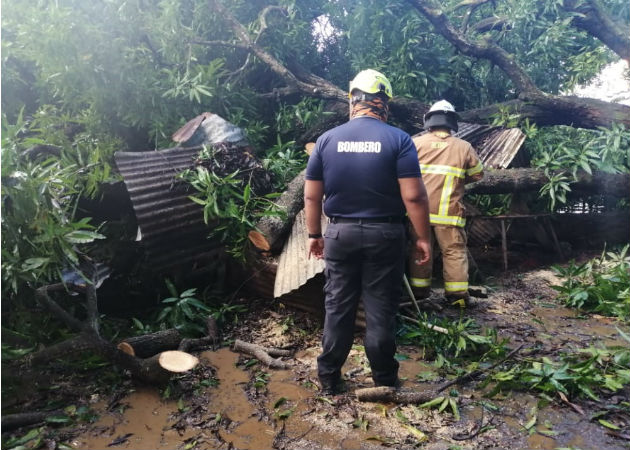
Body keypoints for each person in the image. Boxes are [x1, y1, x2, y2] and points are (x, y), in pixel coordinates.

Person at [304, 69, 432, 395]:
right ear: (383, 102)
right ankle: (385, 381)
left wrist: (313, 235)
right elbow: (414, 196)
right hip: (384, 236)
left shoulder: (326, 141)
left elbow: (311, 195)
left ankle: (330, 379)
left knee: (338, 308)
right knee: (380, 310)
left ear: (353, 101)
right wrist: (422, 237)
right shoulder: (399, 140)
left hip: (339, 235)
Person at [408, 100, 484, 306]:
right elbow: (477, 175)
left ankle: (418, 295)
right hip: (449, 214)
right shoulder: (464, 147)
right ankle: (457, 298)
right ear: (452, 122)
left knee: (419, 251)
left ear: (429, 121)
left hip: (418, 215)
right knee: (454, 253)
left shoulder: (415, 144)